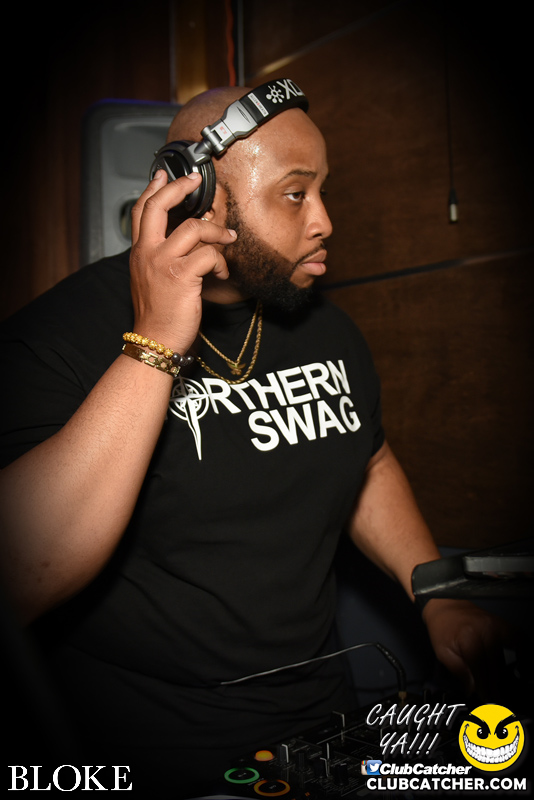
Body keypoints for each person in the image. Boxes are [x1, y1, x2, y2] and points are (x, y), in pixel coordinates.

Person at [0, 83, 506, 795]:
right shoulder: (54, 340)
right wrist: (155, 344)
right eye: (295, 194)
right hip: (149, 753)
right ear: (198, 196)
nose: (325, 221)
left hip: (324, 726)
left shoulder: (322, 323)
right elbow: (22, 573)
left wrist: (437, 591)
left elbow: (366, 455)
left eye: (323, 190)